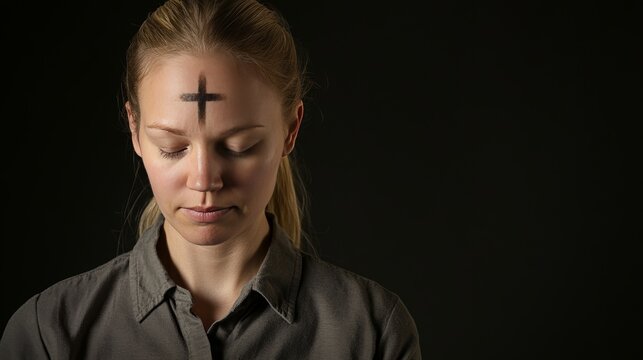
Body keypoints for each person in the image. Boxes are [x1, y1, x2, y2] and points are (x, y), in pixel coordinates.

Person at [0, 0, 421, 358]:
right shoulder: (50, 335)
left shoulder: (370, 334)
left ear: (291, 129)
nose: (204, 180)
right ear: (134, 129)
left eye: (239, 146)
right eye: (172, 146)